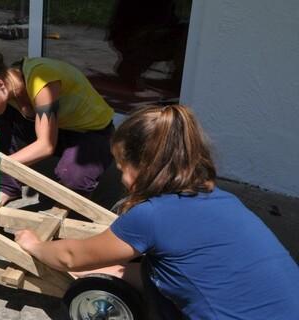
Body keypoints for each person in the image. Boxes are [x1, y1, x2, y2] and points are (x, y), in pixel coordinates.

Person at [15, 105, 299, 319]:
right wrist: (120, 270)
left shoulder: (150, 216)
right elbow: (188, 265)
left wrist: (35, 245)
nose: (122, 178)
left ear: (145, 167)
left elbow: (69, 256)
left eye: (121, 167)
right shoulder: (221, 197)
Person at [0, 35, 115, 204]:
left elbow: (46, 146)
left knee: (72, 178)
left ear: (0, 84)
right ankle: (6, 187)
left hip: (92, 133)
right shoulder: (8, 85)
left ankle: (75, 203)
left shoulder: (42, 80)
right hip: (59, 127)